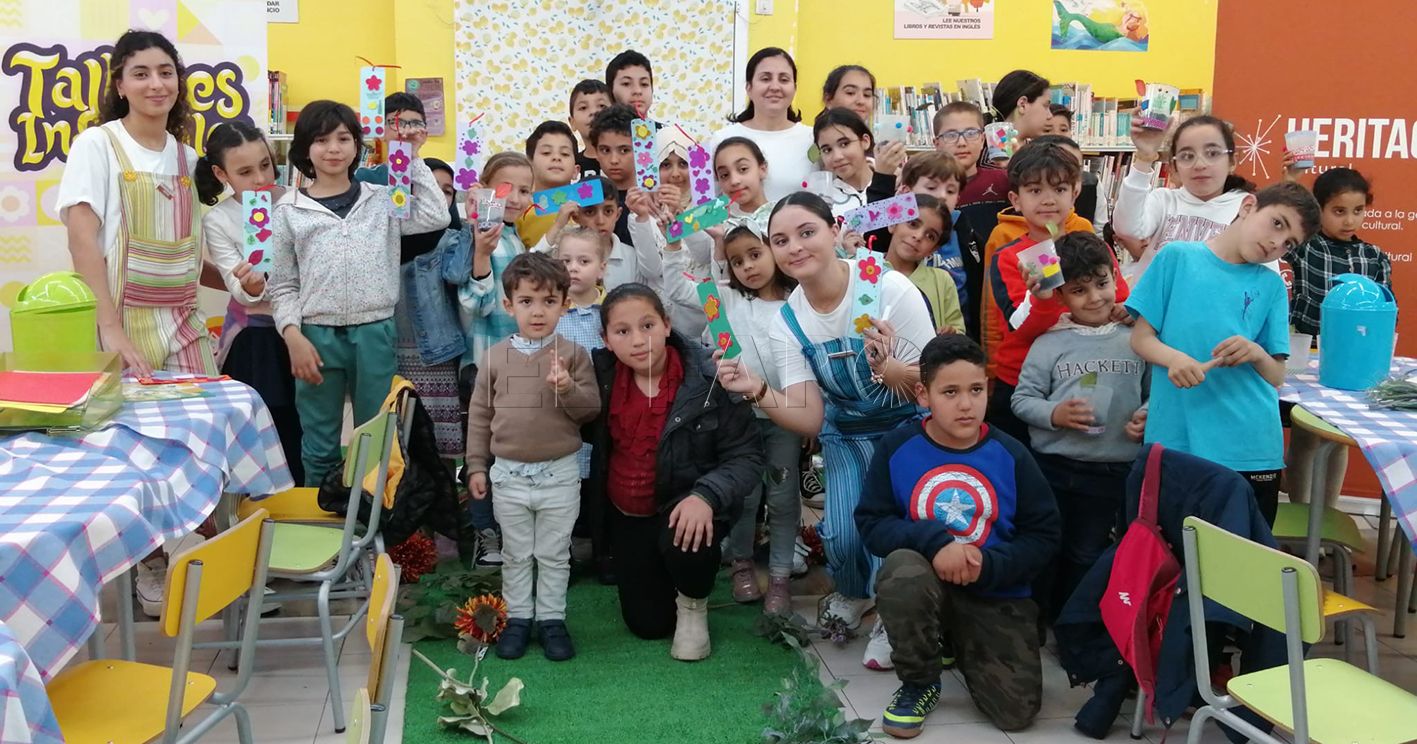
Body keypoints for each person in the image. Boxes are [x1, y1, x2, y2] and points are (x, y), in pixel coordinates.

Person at [716, 192, 936, 670]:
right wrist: (757, 390)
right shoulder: (789, 322)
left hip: (907, 431)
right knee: (839, 534)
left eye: (806, 232)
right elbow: (811, 418)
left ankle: (895, 614)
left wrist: (893, 370)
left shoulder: (886, 288)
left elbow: (936, 379)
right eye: (780, 240)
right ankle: (856, 594)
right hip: (845, 436)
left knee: (894, 532)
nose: (794, 247)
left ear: (834, 232)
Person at [856, 334, 1059, 737]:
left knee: (1016, 714)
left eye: (976, 390)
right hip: (926, 579)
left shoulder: (1012, 453)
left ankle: (958, 639)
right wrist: (937, 543)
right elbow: (873, 523)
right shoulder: (898, 447)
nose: (966, 404)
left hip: (994, 588)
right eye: (950, 392)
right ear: (923, 395)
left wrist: (989, 564)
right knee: (901, 570)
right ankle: (920, 681)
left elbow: (1044, 535)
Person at [268, 100, 450, 487]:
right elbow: (283, 283)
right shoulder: (288, 211)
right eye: (321, 139)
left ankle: (367, 527)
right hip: (315, 337)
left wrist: (413, 158)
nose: (333, 148)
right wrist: (292, 334)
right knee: (318, 444)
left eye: (343, 138)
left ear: (357, 146)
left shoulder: (382, 199)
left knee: (373, 439)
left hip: (374, 334)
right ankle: (319, 528)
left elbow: (437, 215)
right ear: (304, 149)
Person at [582, 285, 762, 660]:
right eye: (622, 331)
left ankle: (693, 604)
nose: (637, 340)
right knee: (648, 625)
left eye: (647, 325)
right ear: (606, 339)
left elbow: (745, 456)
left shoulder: (710, 374)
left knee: (691, 537)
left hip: (683, 505)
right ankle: (659, 576)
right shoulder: (598, 376)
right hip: (627, 513)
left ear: (667, 324)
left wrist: (706, 496)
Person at [1126, 182, 1321, 523]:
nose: (1277, 243)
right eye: (1277, 223)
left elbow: (1276, 375)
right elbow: (1141, 339)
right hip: (1177, 438)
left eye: (1290, 243)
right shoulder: (1176, 258)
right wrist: (1176, 359)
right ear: (1248, 207)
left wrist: (1256, 352)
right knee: (1170, 557)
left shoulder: (1272, 286)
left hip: (1250, 447)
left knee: (1242, 563)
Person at [465, 252, 600, 662]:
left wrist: (566, 388)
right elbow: (480, 414)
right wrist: (475, 465)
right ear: (509, 305)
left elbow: (590, 410)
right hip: (508, 475)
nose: (537, 311)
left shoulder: (574, 354)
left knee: (555, 553)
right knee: (516, 551)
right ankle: (520, 618)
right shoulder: (495, 357)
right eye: (527, 301)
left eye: (548, 301)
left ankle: (552, 619)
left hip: (560, 473)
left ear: (565, 304)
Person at [663, 214, 801, 613]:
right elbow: (675, 288)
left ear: (775, 251)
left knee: (783, 494)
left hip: (784, 417)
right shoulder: (724, 299)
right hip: (738, 421)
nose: (748, 267)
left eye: (755, 254)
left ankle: (778, 577)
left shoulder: (797, 301)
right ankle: (740, 564)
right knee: (745, 494)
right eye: (738, 261)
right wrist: (673, 242)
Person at [1010, 231, 1148, 625]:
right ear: (1061, 297)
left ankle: (1072, 626)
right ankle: (1034, 623)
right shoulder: (1050, 343)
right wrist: (1056, 415)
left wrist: (1147, 413)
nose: (1095, 298)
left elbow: (1156, 393)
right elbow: (1022, 400)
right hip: (1053, 467)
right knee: (1044, 546)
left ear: (1114, 276)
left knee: (1088, 552)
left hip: (1111, 470)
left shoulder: (1135, 339)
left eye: (1102, 284)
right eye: (1079, 290)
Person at [58, 30, 212, 379]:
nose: (156, 84)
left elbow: (189, 254)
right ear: (120, 86)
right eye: (141, 74)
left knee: (204, 413)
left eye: (166, 72)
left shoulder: (187, 158)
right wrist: (110, 328)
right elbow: (81, 240)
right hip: (118, 323)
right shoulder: (97, 145)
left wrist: (241, 283)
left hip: (184, 325)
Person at [985, 142, 1121, 442]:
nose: (1048, 200)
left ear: (1074, 193)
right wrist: (1042, 299)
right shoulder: (1010, 257)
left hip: (1085, 369)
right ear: (1015, 199)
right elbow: (1019, 328)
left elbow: (1119, 300)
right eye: (1035, 191)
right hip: (1022, 379)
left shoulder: (1092, 246)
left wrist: (1126, 311)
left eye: (1059, 189)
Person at [195, 121, 304, 487]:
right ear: (220, 173)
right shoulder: (219, 218)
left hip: (305, 329)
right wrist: (251, 285)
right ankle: (265, 507)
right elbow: (235, 285)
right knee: (268, 423)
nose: (259, 179)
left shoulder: (295, 201)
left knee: (309, 423)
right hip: (257, 338)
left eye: (265, 165)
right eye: (244, 172)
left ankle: (310, 501)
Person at [1113, 115, 1256, 281]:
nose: (1200, 165)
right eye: (1187, 156)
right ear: (1174, 166)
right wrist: (1145, 156)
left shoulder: (1247, 210)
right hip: (1151, 305)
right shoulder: (1164, 200)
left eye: (1212, 153)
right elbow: (1127, 228)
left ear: (1232, 161)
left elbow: (1265, 278)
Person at [868, 152, 977, 338]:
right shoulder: (884, 229)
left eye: (950, 191)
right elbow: (863, 226)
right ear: (905, 191)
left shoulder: (964, 231)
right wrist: (882, 176)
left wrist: (955, 333)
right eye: (932, 187)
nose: (941, 196)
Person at [1284, 167, 1392, 337]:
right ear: (1318, 209)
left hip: (1358, 347)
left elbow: (1385, 310)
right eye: (1339, 211)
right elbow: (1283, 226)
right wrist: (1290, 179)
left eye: (1358, 210)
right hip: (1310, 350)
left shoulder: (1375, 257)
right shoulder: (1306, 247)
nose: (1349, 221)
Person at [708, 47, 814, 202]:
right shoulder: (721, 138)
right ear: (748, 88)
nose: (775, 87)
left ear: (794, 88)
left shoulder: (813, 139)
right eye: (765, 79)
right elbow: (704, 208)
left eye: (784, 80)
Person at [883, 194, 965, 335]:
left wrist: (952, 333)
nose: (918, 236)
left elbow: (958, 330)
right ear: (893, 224)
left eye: (930, 236)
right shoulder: (863, 271)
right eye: (913, 224)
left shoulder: (942, 280)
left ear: (933, 249)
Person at [813, 107, 897, 219]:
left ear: (865, 141)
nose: (837, 157)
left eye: (844, 144)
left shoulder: (897, 186)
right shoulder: (823, 202)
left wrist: (884, 179)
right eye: (827, 150)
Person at [934, 102, 1008, 209]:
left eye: (971, 133)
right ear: (937, 144)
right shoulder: (928, 188)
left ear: (982, 140)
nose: (961, 143)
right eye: (951, 135)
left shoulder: (1004, 179)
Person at [518, 120, 581, 246]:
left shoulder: (590, 207)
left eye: (565, 154)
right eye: (546, 152)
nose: (556, 158)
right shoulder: (518, 209)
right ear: (530, 166)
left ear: (576, 171)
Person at [587, 104, 638, 244]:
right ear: (595, 152)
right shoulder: (585, 196)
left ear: (640, 150)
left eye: (624, 150)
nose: (614, 160)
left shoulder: (652, 197)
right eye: (605, 150)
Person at [990, 69, 1053, 143]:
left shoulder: (993, 144)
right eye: (1045, 106)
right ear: (1022, 105)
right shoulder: (995, 148)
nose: (1050, 115)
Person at [568, 79, 612, 180]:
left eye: (602, 106)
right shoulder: (570, 165)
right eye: (583, 108)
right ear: (572, 122)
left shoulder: (630, 158)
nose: (593, 112)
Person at [605, 49, 654, 118]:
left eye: (644, 84)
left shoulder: (667, 129)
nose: (637, 91)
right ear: (610, 90)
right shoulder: (596, 128)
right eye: (626, 83)